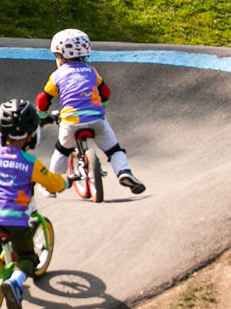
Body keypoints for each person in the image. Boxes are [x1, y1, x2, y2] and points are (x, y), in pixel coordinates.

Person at [32, 28, 146, 195]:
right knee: (114, 150)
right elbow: (105, 92)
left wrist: (42, 115)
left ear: (60, 56)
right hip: (96, 119)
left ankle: (50, 186)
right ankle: (124, 172)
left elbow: (43, 99)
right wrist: (101, 107)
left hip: (71, 120)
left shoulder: (57, 75)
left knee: (62, 150)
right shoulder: (91, 71)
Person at [0, 99, 66, 309]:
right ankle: (15, 282)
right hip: (15, 220)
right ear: (32, 136)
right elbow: (53, 183)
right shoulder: (30, 163)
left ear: (0, 134)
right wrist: (66, 181)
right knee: (28, 257)